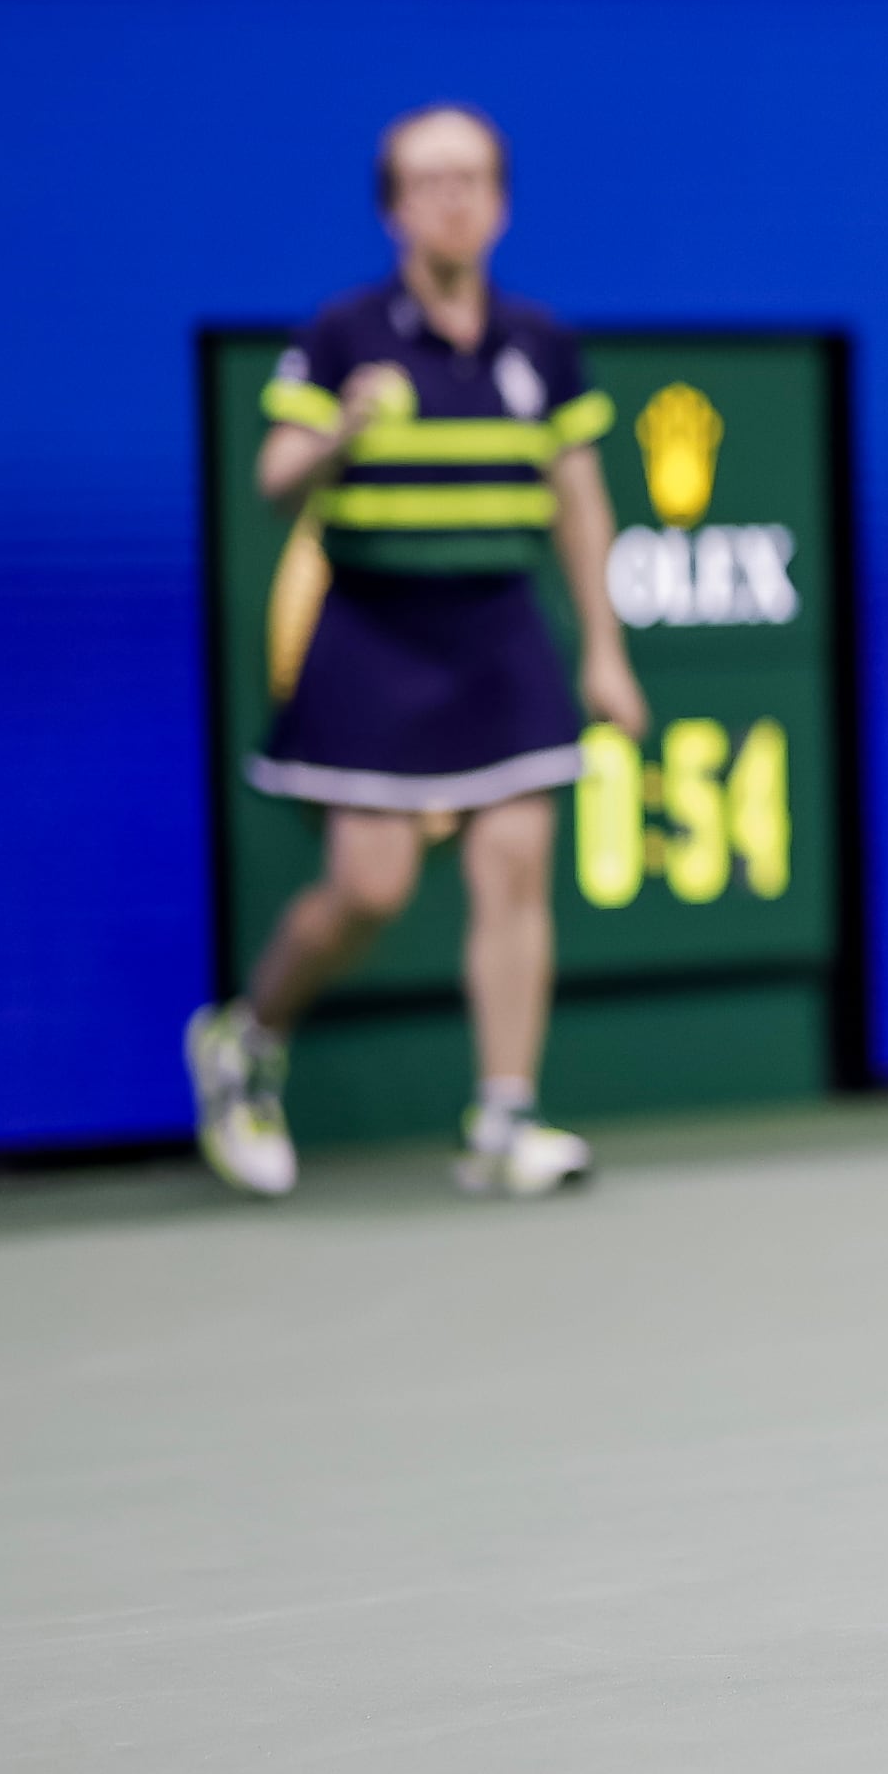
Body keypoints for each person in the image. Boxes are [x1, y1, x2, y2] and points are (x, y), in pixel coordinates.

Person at [187, 109, 643, 1204]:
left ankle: (503, 1116)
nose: (454, 198)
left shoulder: (540, 343)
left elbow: (579, 501)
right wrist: (343, 429)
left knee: (514, 866)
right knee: (371, 888)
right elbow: (274, 475)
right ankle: (248, 1041)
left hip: (499, 632)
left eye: (473, 178)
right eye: (429, 181)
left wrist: (606, 651)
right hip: (376, 633)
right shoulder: (346, 333)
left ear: (502, 201)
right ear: (393, 206)